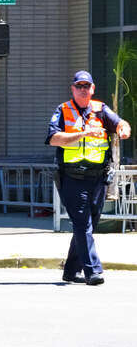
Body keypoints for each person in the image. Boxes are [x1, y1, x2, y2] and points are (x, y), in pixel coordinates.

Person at [46, 70, 132, 285]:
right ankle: (93, 271)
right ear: (73, 89)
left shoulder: (100, 109)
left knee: (87, 224)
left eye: (87, 86)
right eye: (79, 86)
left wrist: (123, 129)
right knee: (82, 222)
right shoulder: (63, 111)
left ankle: (70, 271)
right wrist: (82, 134)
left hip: (98, 178)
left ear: (92, 89)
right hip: (73, 177)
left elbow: (121, 123)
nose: (83, 90)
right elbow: (54, 138)